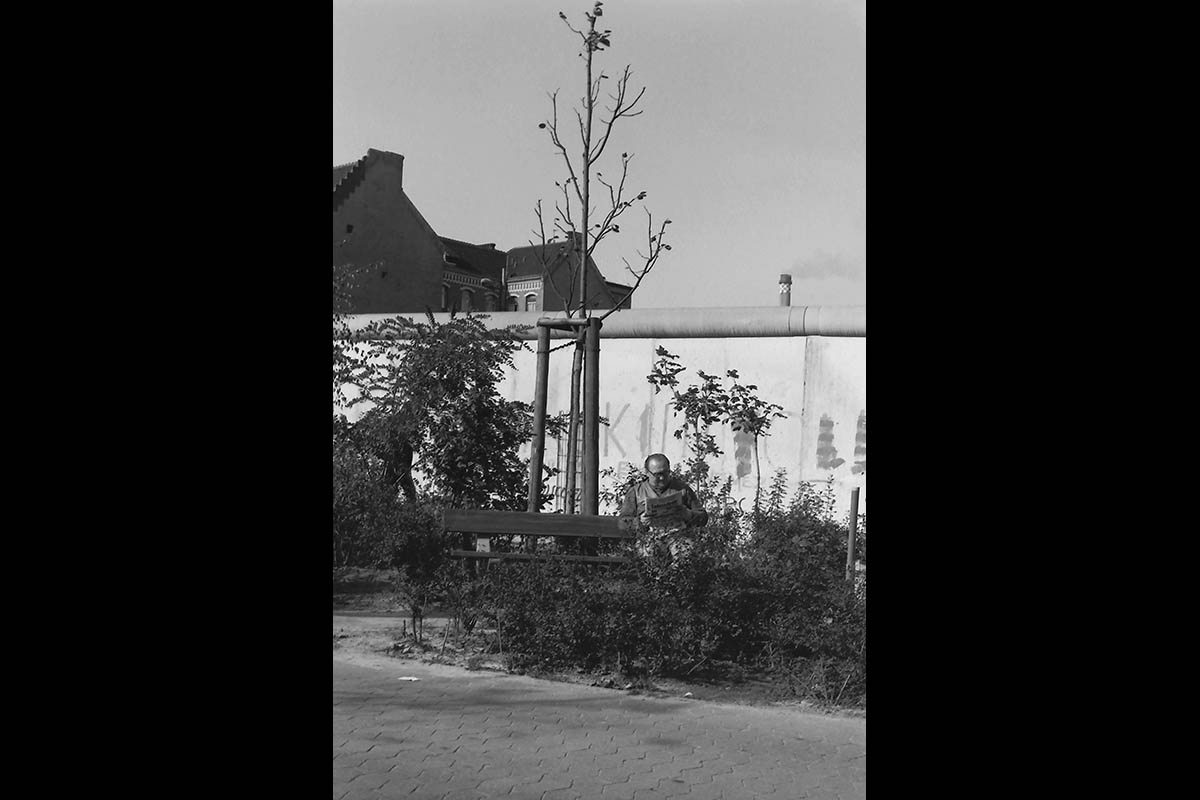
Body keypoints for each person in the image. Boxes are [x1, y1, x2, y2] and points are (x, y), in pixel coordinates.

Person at [618, 454, 708, 558]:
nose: (662, 478)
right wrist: (639, 522)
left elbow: (703, 517)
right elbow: (623, 523)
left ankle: (678, 573)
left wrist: (688, 514)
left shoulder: (682, 489)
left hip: (678, 536)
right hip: (649, 537)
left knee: (686, 553)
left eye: (666, 473)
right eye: (657, 474)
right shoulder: (636, 492)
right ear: (647, 472)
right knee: (647, 552)